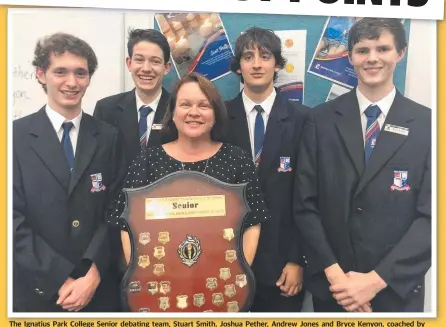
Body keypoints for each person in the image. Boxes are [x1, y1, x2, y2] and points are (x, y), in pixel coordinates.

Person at [294, 18, 431, 312]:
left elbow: (433, 217)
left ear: (401, 53)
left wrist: (376, 280)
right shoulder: (320, 120)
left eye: (382, 48)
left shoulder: (429, 125)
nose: (372, 58)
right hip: (334, 290)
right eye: (362, 49)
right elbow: (305, 205)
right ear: (350, 56)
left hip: (396, 291)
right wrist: (337, 278)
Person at [13, 33, 126, 312]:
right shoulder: (14, 137)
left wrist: (94, 271)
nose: (72, 82)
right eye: (60, 72)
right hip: (36, 292)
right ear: (41, 74)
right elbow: (10, 219)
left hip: (98, 291)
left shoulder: (109, 137)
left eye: (81, 73)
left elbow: (118, 208)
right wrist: (58, 279)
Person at [107, 72, 267, 270]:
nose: (194, 112)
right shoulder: (148, 161)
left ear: (215, 113)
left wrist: (238, 273)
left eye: (204, 105)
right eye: (185, 105)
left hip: (222, 281)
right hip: (160, 280)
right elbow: (127, 223)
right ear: (172, 113)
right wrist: (143, 273)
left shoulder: (238, 160)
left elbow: (252, 222)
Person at [225, 26, 308, 313]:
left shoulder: (303, 119)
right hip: (225, 261)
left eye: (265, 56)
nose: (257, 64)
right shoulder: (218, 118)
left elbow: (308, 195)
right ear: (238, 67)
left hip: (283, 266)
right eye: (248, 57)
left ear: (277, 63)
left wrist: (298, 260)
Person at [93, 28, 172, 171]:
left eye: (155, 61)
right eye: (139, 60)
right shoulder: (106, 109)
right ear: (129, 63)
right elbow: (99, 164)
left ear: (166, 67)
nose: (146, 69)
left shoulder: (178, 110)